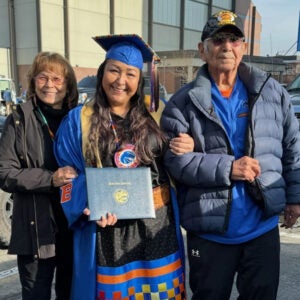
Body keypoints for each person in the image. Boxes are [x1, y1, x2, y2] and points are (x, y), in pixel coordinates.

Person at [160, 10, 300, 300]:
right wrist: (229, 168)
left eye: (234, 40)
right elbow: (174, 163)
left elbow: (292, 147)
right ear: (203, 49)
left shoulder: (272, 92)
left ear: (244, 47)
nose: (226, 46)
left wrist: (295, 197)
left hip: (261, 227)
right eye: (218, 39)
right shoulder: (181, 103)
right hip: (209, 232)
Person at [54, 34, 193, 300]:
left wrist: (187, 146)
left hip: (158, 226)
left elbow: (178, 165)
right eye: (114, 70)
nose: (120, 81)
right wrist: (89, 203)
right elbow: (67, 178)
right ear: (101, 72)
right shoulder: (78, 121)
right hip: (107, 231)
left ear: (139, 81)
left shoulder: (159, 113)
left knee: (161, 293)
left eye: (130, 74)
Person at [0, 52, 78, 300]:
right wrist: (50, 179)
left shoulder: (80, 119)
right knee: (36, 294)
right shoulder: (19, 120)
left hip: (74, 226)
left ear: (68, 85)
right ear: (33, 82)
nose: (49, 85)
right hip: (35, 229)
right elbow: (5, 172)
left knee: (72, 292)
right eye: (42, 77)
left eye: (57, 79)